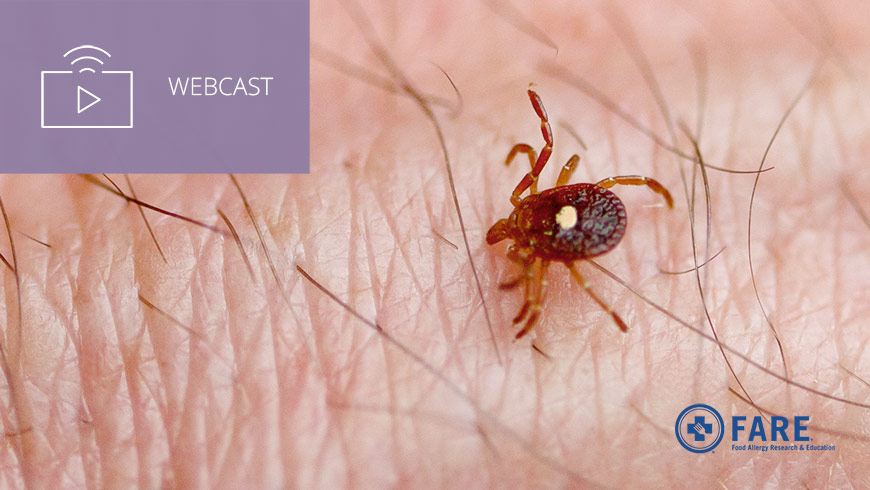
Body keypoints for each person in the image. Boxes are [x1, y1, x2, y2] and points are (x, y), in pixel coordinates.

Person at [0, 1, 868, 487]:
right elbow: (549, 172)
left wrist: (550, 287)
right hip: (589, 216)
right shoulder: (540, 223)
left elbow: (547, 191)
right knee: (570, 186)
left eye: (525, 238)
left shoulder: (540, 237)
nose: (513, 231)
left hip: (588, 219)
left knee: (570, 203)